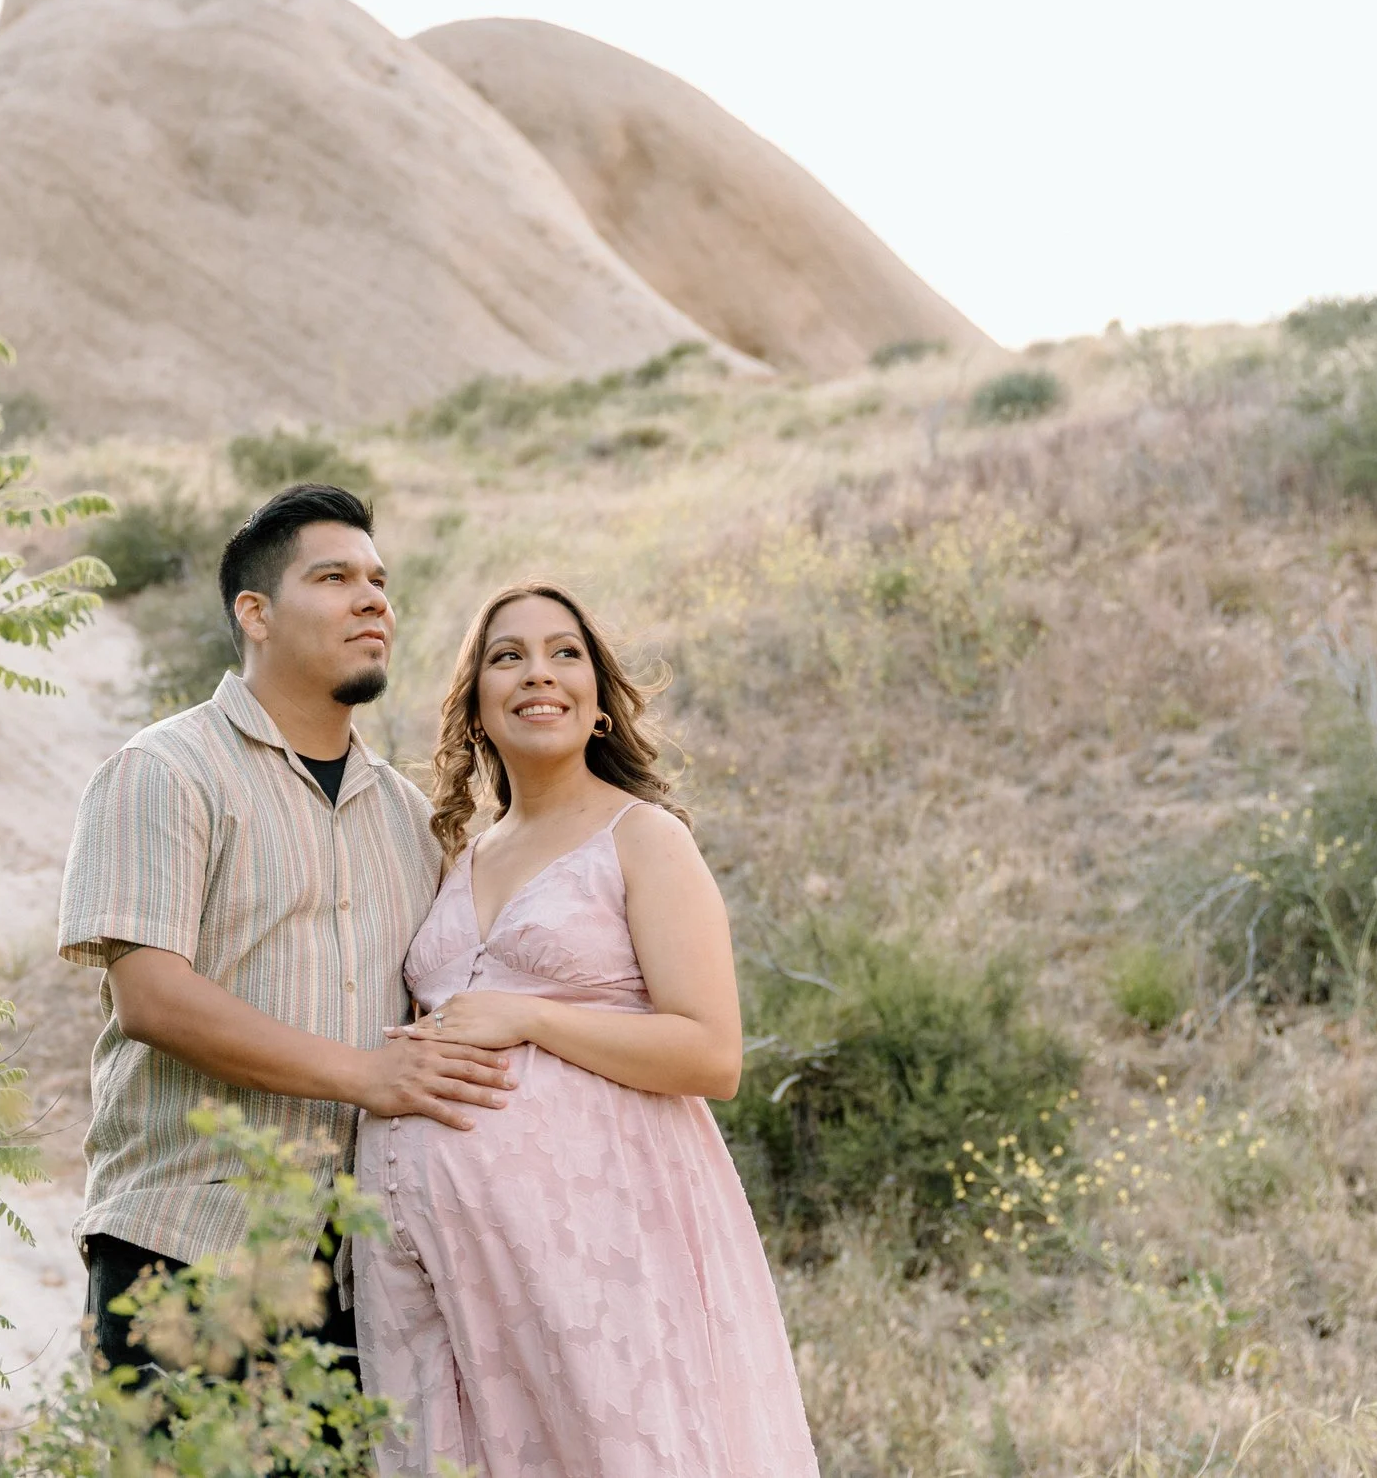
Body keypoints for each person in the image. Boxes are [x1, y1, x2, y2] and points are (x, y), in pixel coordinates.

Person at [355, 581, 819, 1476]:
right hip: (437, 1258)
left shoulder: (643, 838)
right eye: (509, 656)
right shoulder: (460, 857)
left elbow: (712, 1053)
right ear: (477, 706)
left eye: (564, 653)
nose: (539, 673)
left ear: (599, 700)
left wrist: (531, 1014)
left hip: (601, 1247)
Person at [56, 484, 517, 1381]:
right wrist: (365, 1074)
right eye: (335, 577)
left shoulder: (411, 818)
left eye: (379, 581)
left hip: (357, 1281)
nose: (372, 600)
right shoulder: (164, 770)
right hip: (185, 1250)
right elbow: (152, 998)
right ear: (255, 612)